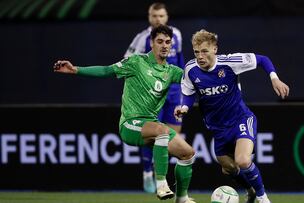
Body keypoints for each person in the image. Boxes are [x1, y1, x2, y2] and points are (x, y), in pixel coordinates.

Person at [54, 25, 196, 203]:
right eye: (160, 41)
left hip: (152, 126)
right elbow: (106, 70)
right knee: (162, 130)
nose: (165, 45)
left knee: (187, 153)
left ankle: (181, 198)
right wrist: (76, 69)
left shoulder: (172, 71)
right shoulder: (135, 62)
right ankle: (161, 184)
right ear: (151, 43)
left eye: (168, 42)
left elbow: (194, 81)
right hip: (130, 124)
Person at [174, 30, 290, 203]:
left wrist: (274, 78)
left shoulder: (230, 62)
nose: (200, 56)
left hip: (240, 119)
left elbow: (262, 60)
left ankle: (263, 198)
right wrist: (184, 107)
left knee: (243, 160)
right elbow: (189, 93)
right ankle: (250, 190)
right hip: (218, 129)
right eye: (196, 52)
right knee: (228, 169)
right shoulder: (191, 69)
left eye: (204, 51)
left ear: (215, 49)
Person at [124, 2, 185, 193]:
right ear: (149, 17)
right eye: (154, 16)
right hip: (152, 93)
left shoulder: (177, 34)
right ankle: (148, 172)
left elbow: (181, 60)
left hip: (174, 92)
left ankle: (163, 176)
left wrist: (185, 88)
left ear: (166, 17)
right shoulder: (143, 38)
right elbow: (127, 62)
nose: (158, 19)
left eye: (161, 16)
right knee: (152, 134)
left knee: (172, 136)